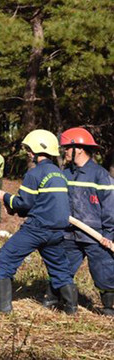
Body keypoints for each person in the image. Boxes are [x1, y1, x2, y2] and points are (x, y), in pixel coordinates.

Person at [0, 129, 73, 314]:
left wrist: (6, 197)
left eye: (29, 149)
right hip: (57, 231)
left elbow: (24, 204)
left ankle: (2, 306)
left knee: (3, 260)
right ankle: (72, 309)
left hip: (37, 229)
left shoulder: (35, 173)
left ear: (36, 151)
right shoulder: (60, 174)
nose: (28, 153)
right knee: (59, 269)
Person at [55, 127, 114, 316]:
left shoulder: (100, 175)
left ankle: (108, 307)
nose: (64, 152)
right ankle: (63, 302)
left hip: (95, 235)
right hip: (70, 233)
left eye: (66, 148)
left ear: (78, 148)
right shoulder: (65, 174)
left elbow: (110, 207)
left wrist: (109, 235)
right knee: (62, 268)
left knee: (103, 271)